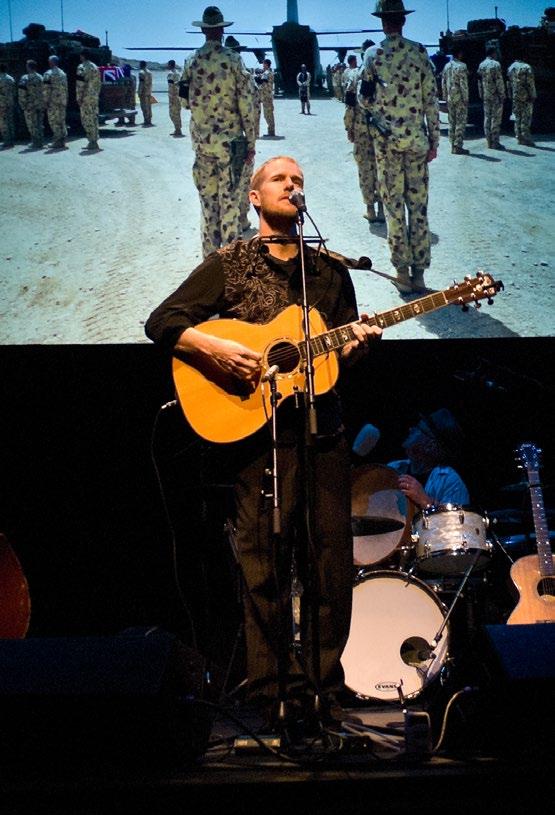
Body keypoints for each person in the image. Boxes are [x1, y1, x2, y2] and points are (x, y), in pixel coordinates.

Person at [144, 155, 382, 732]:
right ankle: (273, 694)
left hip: (323, 431)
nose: (292, 185)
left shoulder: (329, 271)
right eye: (280, 179)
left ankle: (323, 694)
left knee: (329, 566)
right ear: (255, 197)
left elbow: (336, 359)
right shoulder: (230, 264)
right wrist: (215, 349)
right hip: (256, 437)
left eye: (299, 180)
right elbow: (162, 321)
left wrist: (355, 347)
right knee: (264, 565)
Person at [359, 0, 439, 295]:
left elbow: (364, 99)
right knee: (418, 208)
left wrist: (382, 112)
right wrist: (434, 141)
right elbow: (431, 101)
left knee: (393, 209)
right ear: (403, 21)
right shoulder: (420, 52)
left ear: (382, 22)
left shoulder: (372, 55)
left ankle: (402, 274)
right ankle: (420, 276)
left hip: (388, 145)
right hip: (417, 143)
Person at [180, 5, 256, 257]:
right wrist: (251, 142)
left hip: (203, 145)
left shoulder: (190, 61)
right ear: (222, 31)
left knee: (208, 206)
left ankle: (209, 263)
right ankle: (230, 263)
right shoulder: (233, 60)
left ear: (203, 30)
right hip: (230, 146)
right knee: (230, 206)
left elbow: (183, 101)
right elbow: (246, 104)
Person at [388, 408, 470, 510]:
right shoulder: (394, 467)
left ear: (431, 445)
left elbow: (457, 519)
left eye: (419, 429)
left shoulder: (450, 482)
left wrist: (425, 501)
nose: (411, 429)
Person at [342, 51, 384, 224]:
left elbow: (350, 105)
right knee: (382, 168)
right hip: (382, 132)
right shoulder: (385, 76)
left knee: (365, 169)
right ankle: (382, 210)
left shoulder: (355, 76)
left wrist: (349, 127)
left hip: (362, 132)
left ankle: (370, 209)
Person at [477, 46, 506, 150]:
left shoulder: (481, 65)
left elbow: (479, 81)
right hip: (495, 95)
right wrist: (502, 94)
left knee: (487, 117)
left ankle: (488, 141)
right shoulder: (496, 64)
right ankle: (495, 142)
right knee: (496, 119)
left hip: (486, 95)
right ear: (493, 53)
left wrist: (481, 94)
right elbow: (499, 81)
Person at [441, 47, 469, 155]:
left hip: (450, 97)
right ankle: (458, 146)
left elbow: (443, 82)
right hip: (460, 98)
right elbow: (463, 84)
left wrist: (445, 96)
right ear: (459, 54)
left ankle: (452, 145)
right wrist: (466, 98)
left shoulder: (446, 66)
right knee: (460, 122)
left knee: (452, 122)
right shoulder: (462, 66)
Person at [506, 54, 537, 146]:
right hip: (525, 96)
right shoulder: (526, 67)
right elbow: (530, 83)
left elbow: (508, 83)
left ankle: (519, 137)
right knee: (526, 117)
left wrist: (510, 95)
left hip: (515, 96)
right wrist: (533, 95)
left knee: (517, 117)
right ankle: (526, 138)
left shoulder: (511, 67)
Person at [75, 49, 101, 151]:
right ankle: (94, 140)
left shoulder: (81, 67)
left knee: (86, 119)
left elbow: (80, 84)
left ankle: (92, 141)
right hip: (94, 97)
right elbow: (98, 83)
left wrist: (79, 98)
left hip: (86, 98)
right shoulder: (95, 67)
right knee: (94, 118)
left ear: (83, 56)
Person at [42, 55, 68, 149]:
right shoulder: (63, 73)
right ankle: (63, 140)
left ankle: (57, 141)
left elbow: (46, 89)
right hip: (62, 101)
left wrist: (45, 101)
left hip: (53, 102)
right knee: (61, 121)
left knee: (54, 121)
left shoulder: (48, 74)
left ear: (51, 63)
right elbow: (66, 88)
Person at [17, 60, 44, 149]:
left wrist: (22, 104)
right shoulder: (41, 77)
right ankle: (40, 141)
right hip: (39, 104)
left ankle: (35, 142)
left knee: (32, 124)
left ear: (28, 67)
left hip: (30, 105)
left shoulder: (25, 78)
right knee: (39, 123)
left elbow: (22, 93)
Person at [257, 58, 276, 137]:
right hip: (267, 96)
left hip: (266, 96)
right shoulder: (268, 72)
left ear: (266, 64)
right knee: (268, 114)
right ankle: (271, 131)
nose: (263, 65)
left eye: (264, 64)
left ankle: (271, 131)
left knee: (268, 114)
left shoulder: (267, 73)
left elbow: (262, 82)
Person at [0, 64, 17, 149]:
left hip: (1, 104)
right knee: (10, 121)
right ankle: (12, 140)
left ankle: (7, 141)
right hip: (10, 103)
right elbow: (14, 92)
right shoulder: (11, 79)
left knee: (3, 123)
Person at [166, 59, 183, 136]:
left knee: (172, 113)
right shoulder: (178, 73)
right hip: (179, 96)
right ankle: (178, 129)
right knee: (178, 113)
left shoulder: (170, 74)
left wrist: (171, 97)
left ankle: (177, 129)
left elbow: (171, 86)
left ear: (170, 65)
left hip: (173, 96)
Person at [138, 60, 153, 126]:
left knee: (144, 106)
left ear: (141, 65)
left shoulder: (141, 73)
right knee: (149, 106)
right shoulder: (149, 72)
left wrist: (139, 92)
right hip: (149, 91)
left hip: (143, 92)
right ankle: (149, 119)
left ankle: (146, 120)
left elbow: (141, 83)